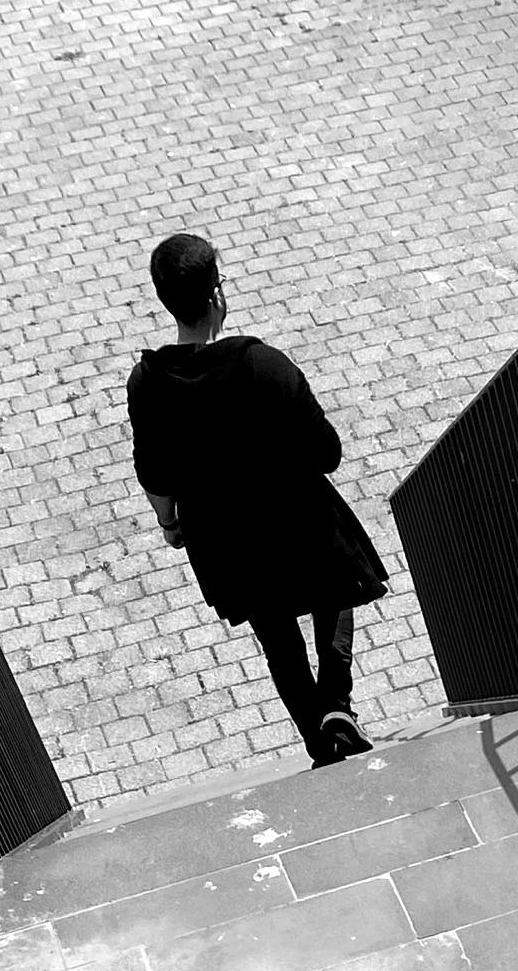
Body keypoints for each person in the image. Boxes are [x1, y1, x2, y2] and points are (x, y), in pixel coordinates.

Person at [128, 233, 389, 765]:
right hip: (298, 524)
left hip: (225, 542)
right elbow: (328, 452)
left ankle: (320, 739)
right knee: (333, 580)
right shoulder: (263, 364)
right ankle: (337, 702)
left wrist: (170, 526)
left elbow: (155, 475)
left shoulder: (148, 383)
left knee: (276, 636)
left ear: (165, 300)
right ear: (217, 294)